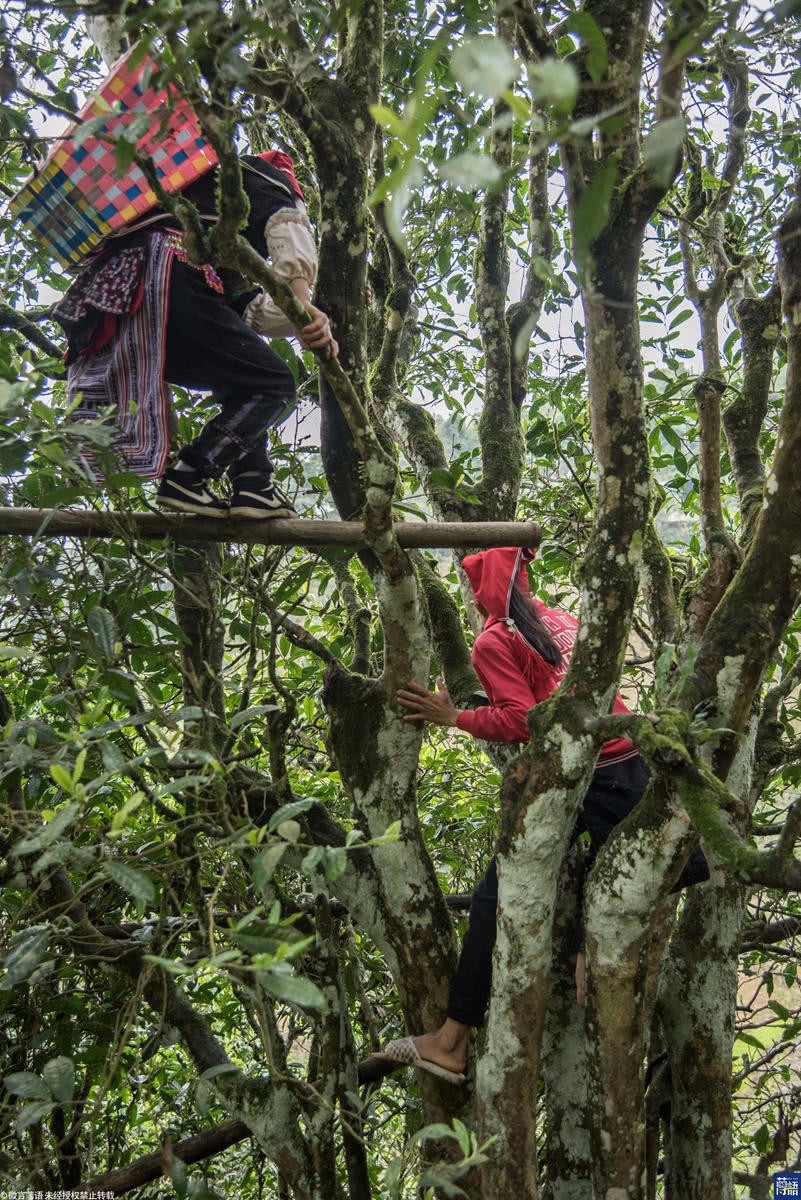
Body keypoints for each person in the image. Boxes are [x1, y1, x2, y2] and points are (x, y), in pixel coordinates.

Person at [374, 545, 708, 1084]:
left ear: (479, 594)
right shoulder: (562, 619)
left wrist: (453, 714)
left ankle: (452, 1040)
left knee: (496, 894)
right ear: (524, 580)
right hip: (628, 760)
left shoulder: (493, 639)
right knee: (609, 886)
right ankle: (576, 985)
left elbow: (523, 719)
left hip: (586, 773)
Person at [53, 151, 337, 519]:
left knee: (246, 380)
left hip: (114, 298)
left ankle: (254, 483)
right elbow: (288, 231)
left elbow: (246, 313)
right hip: (165, 274)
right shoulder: (262, 176)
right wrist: (303, 303)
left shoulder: (181, 204)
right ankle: (191, 474)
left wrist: (308, 319)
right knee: (275, 384)